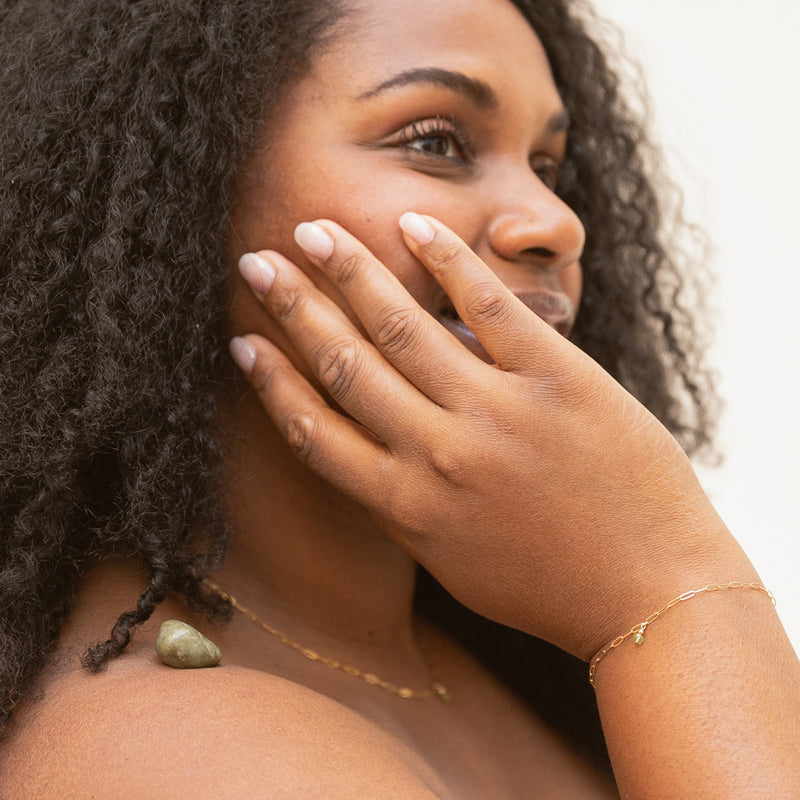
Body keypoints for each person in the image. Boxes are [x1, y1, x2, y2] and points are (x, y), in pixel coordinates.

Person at [1, 0, 798, 797]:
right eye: (436, 143)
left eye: (550, 168)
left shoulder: (522, 665)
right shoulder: (176, 752)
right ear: (183, 187)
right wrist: (670, 583)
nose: (556, 223)